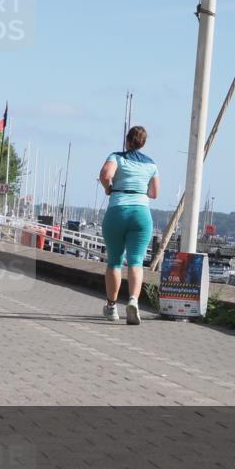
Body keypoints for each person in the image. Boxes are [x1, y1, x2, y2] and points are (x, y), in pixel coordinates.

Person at [98, 125, 159, 325]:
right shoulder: (151, 164)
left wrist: (109, 189)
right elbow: (154, 193)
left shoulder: (116, 157)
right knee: (136, 261)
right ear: (143, 143)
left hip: (118, 210)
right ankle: (133, 300)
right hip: (142, 214)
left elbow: (105, 175)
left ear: (127, 140)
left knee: (114, 261)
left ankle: (112, 307)